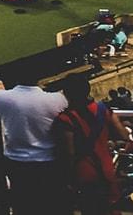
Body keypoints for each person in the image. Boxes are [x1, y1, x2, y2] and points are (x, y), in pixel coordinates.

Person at [0, 75, 67, 215]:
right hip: (47, 161)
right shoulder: (57, 99)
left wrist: (2, 89)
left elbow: (1, 97)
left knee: (23, 205)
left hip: (17, 163)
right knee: (50, 205)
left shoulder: (0, 97)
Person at [54, 75, 127, 215]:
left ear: (66, 93)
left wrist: (67, 177)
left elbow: (70, 152)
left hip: (85, 171)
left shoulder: (65, 118)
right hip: (107, 167)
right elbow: (123, 135)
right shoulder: (103, 109)